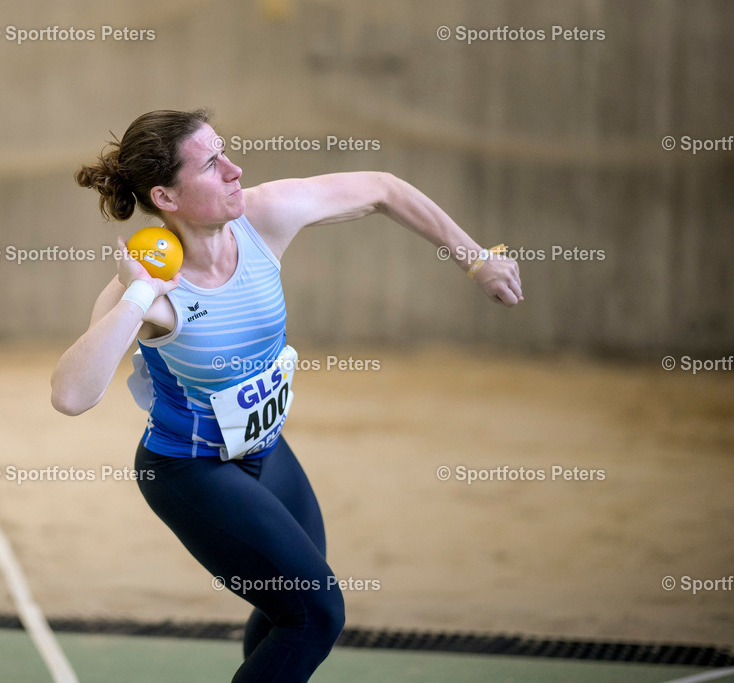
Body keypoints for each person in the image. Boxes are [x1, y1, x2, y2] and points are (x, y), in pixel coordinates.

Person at [51, 109, 522, 682]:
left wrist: (476, 258)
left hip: (266, 451)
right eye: (211, 164)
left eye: (225, 151)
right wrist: (137, 297)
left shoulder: (262, 218)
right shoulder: (147, 287)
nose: (234, 169)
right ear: (165, 197)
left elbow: (383, 189)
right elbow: (71, 395)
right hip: (188, 470)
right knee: (315, 615)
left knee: (289, 608)